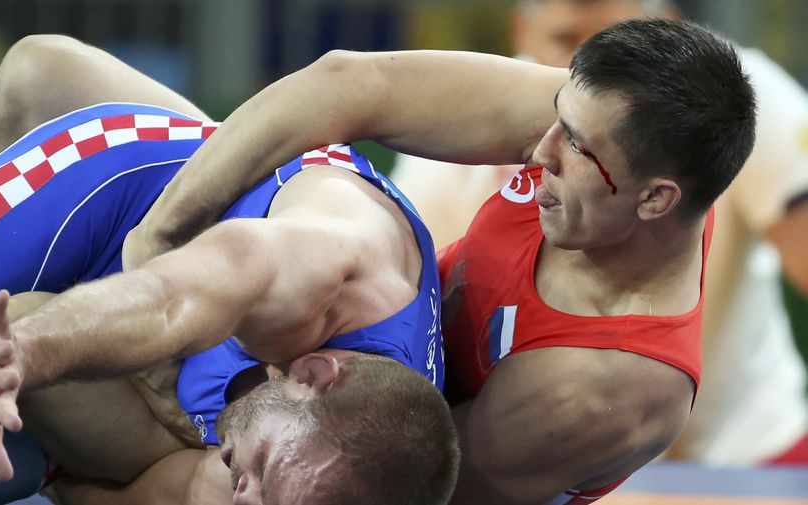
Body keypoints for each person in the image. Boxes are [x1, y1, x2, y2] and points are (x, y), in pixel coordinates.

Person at [117, 18, 757, 505]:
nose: (538, 149)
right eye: (558, 119)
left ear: (655, 199)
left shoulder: (606, 390)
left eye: (574, 146)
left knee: (218, 473)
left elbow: (386, 479)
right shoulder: (606, 138)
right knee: (45, 71)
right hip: (345, 349)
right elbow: (354, 83)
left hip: (347, 439)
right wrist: (162, 233)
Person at [0, 34, 458, 505]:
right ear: (311, 375)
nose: (242, 494)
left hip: (155, 324)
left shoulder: (313, 472)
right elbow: (169, 300)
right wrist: (33, 347)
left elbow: (121, 495)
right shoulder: (318, 272)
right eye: (261, 472)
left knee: (38, 70)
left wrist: (62, 474)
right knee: (35, 79)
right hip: (123, 198)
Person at [391, 0, 808, 466]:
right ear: (522, 35)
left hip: (749, 453)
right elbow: (402, 286)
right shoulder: (465, 112)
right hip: (555, 454)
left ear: (666, 30)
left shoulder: (737, 95)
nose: (592, 71)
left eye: (616, 39)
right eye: (565, 40)